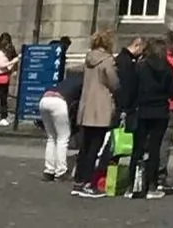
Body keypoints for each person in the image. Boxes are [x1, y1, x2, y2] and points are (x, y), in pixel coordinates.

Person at [132, 32, 173, 197]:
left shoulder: (140, 66)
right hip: (160, 111)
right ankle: (151, 185)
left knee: (137, 148)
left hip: (142, 109)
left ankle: (133, 185)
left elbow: (134, 87)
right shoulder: (168, 69)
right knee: (154, 149)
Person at [75, 29, 120, 195]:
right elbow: (114, 83)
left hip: (87, 106)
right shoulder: (107, 61)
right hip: (101, 107)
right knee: (95, 146)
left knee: (85, 147)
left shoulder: (89, 59)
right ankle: (88, 183)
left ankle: (79, 181)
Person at [41, 45, 80, 182]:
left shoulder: (68, 79)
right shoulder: (83, 80)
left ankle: (49, 170)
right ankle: (61, 171)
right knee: (63, 137)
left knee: (52, 137)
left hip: (45, 99)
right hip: (59, 101)